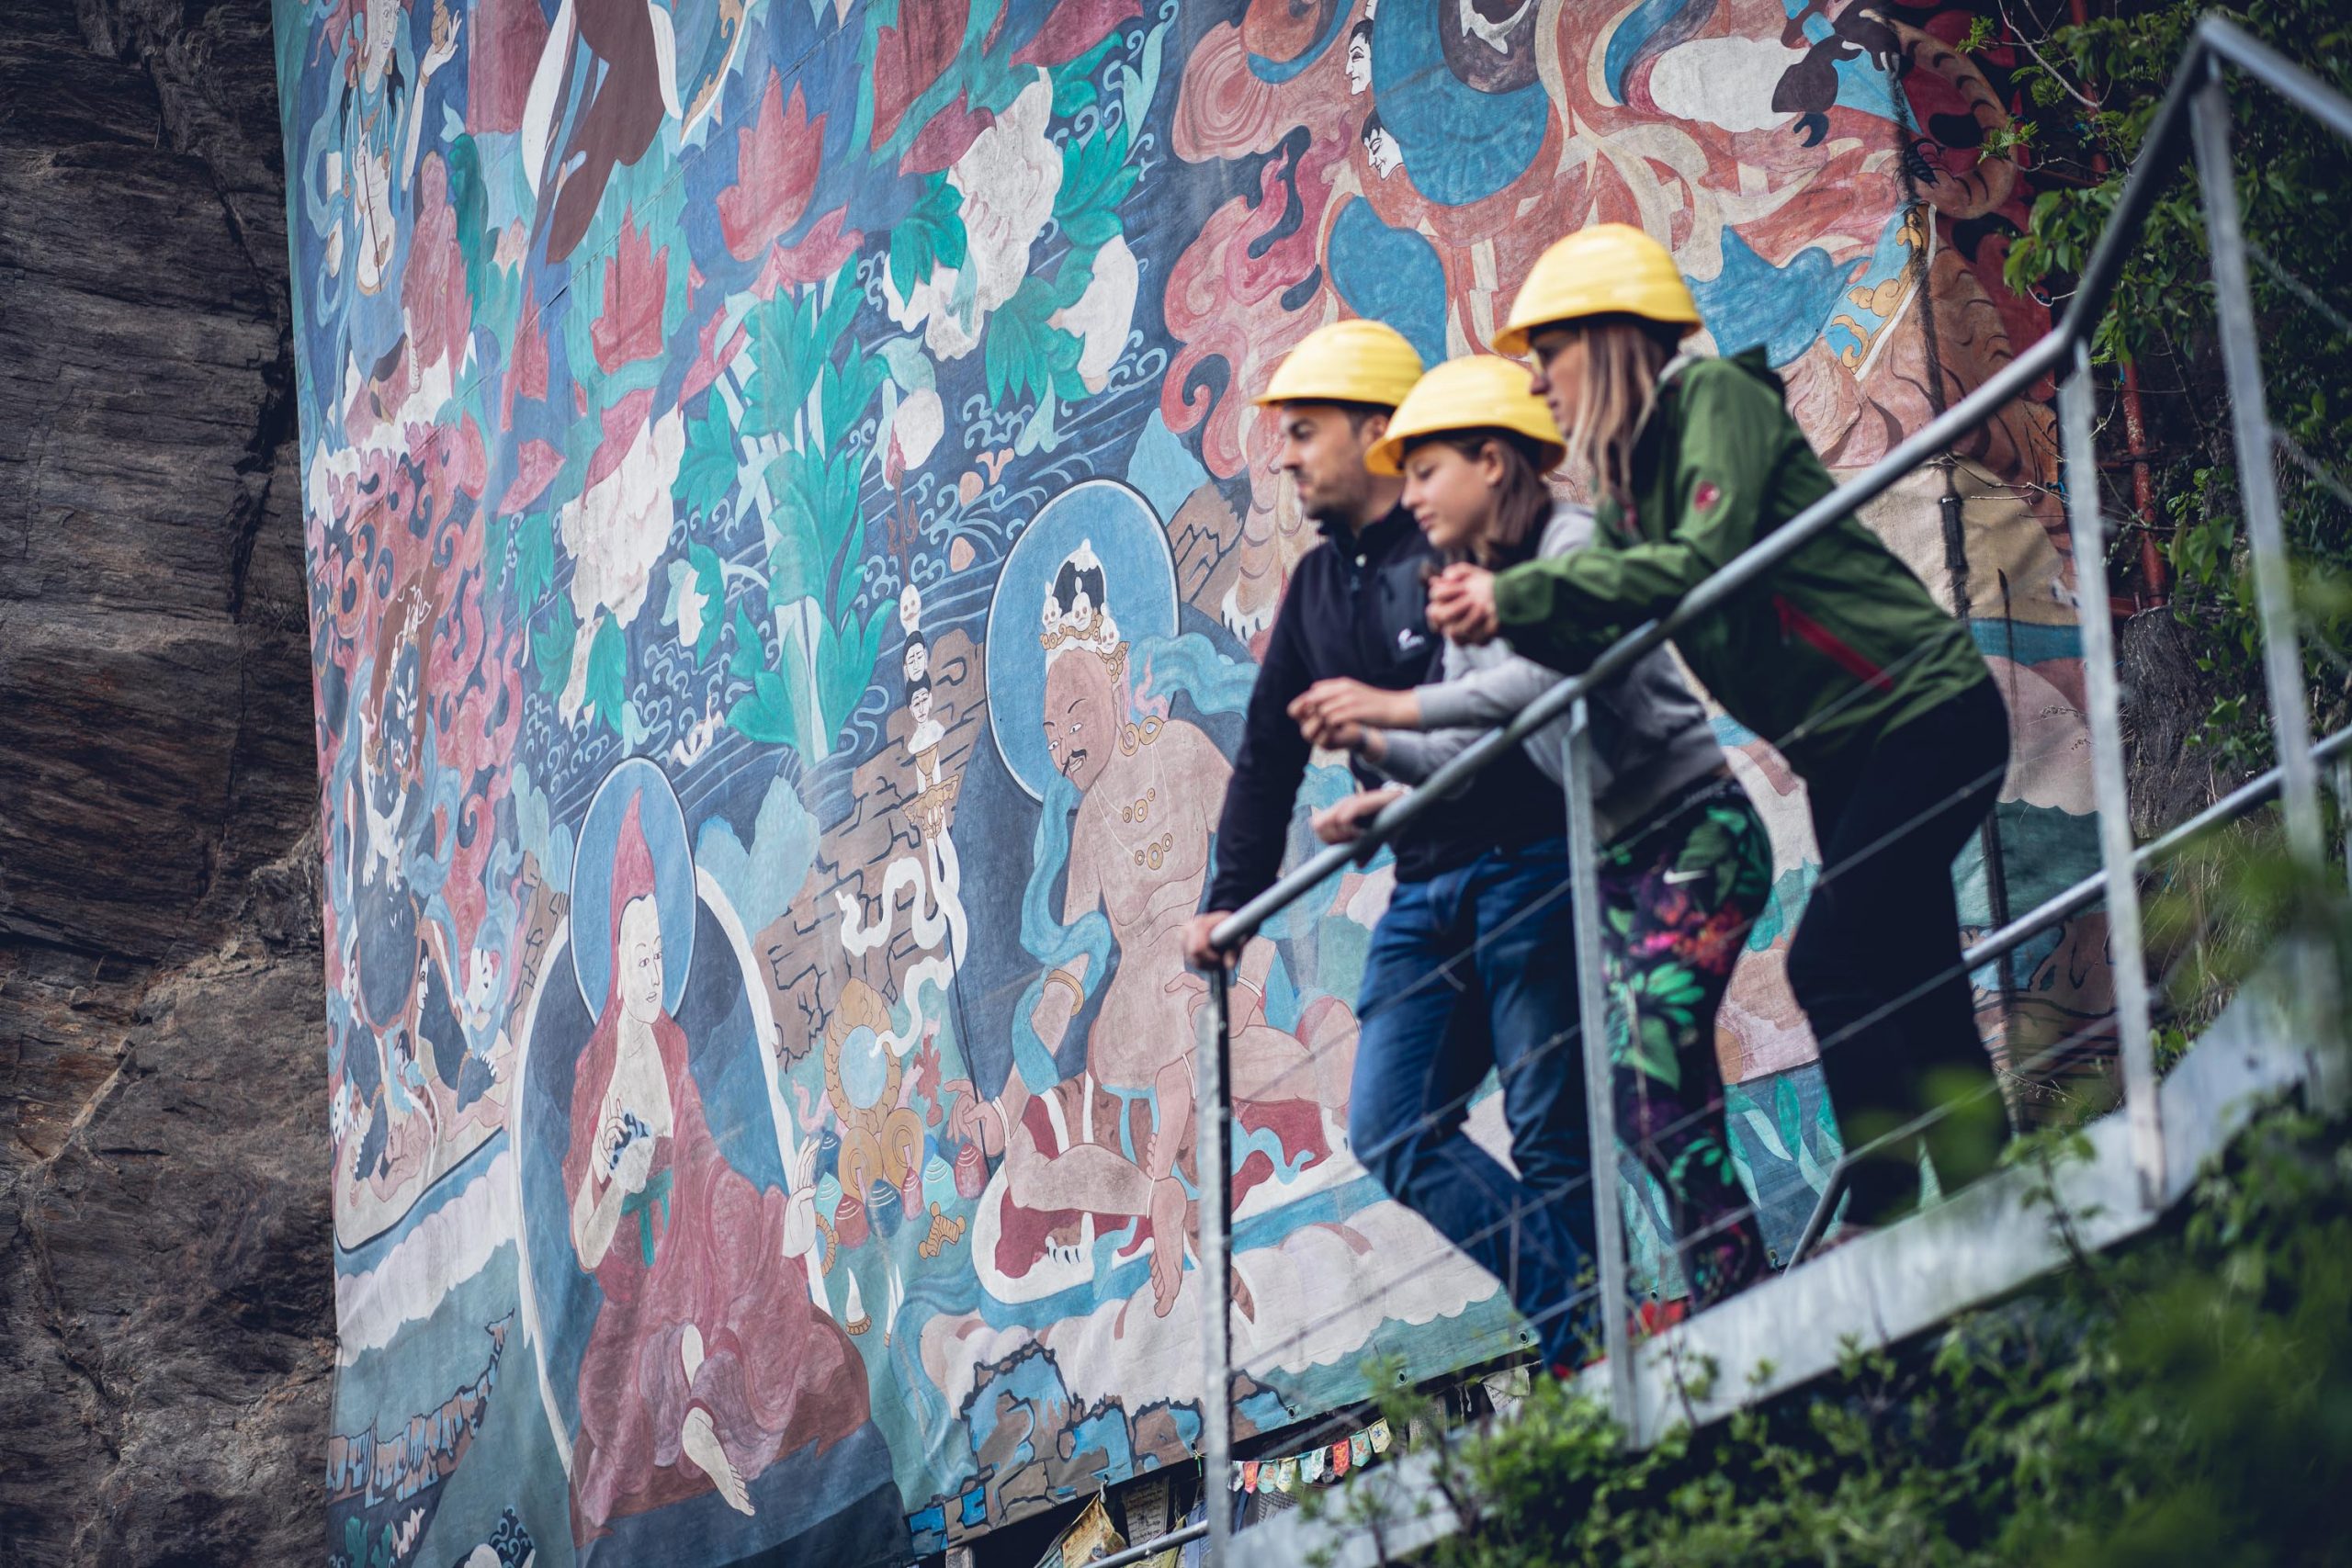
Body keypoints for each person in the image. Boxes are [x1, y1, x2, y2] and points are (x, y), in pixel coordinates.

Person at [1426, 224, 2011, 1235]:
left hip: (1919, 709)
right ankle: (1996, 1203)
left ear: (1609, 341)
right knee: (1916, 979)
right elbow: (1594, 616)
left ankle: (1880, 1202)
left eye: (1548, 353)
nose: (1537, 383)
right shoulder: (1628, 496)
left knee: (1828, 959)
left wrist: (1516, 591)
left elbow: (1702, 557)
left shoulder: (1716, 403)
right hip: (1843, 752)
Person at [1292, 355, 1776, 1314]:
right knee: (1637, 1093)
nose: (1411, 495)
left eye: (1426, 471)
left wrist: (1393, 704)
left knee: (1650, 1075)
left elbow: (1548, 687)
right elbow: (1485, 746)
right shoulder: (1471, 604)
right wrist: (1379, 765)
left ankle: (1736, 1298)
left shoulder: (1570, 544)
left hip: (1694, 836)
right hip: (1617, 867)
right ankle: (1709, 1301)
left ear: (1495, 463)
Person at [1184, 321, 1600, 1371]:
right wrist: (1230, 903)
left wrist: (1380, 734)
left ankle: (1590, 1359)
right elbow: (1264, 757)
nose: (1282, 456)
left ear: (1375, 431)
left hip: (1528, 859)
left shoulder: (1458, 546)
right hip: (1421, 890)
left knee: (1551, 1127)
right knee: (1390, 1123)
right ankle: (1594, 1316)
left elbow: (1511, 710)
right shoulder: (1317, 590)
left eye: (1304, 431)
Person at [564, 796, 866, 1540]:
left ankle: (707, 1398)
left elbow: (702, 1159)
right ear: (610, 961)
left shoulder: (671, 1046)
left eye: (661, 953)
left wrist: (771, 1223)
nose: (653, 970)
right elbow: (583, 1242)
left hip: (699, 1247)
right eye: (639, 957)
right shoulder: (593, 1076)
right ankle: (694, 1403)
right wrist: (623, 1185)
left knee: (747, 1248)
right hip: (643, 1282)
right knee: (676, 1345)